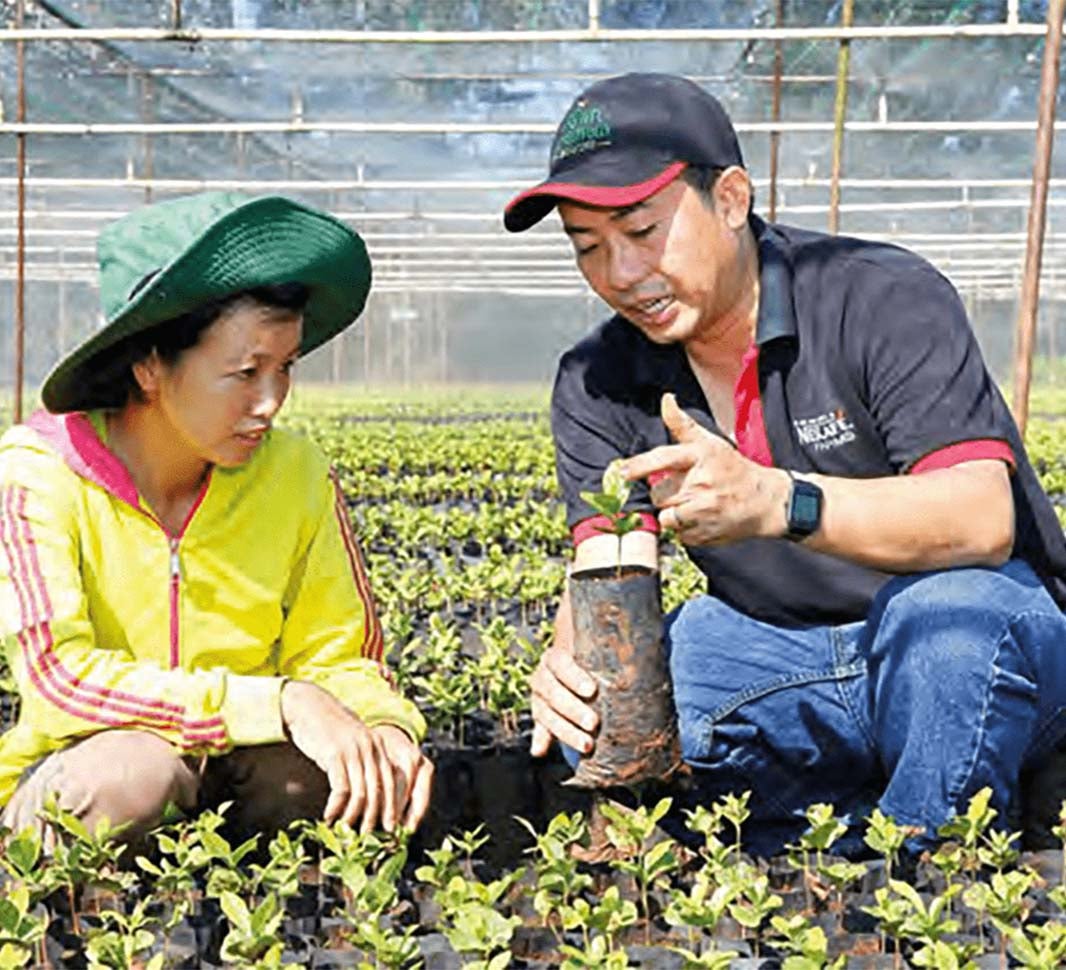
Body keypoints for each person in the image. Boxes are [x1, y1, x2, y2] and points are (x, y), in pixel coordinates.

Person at [506, 72, 1066, 854]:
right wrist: (571, 662)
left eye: (641, 232)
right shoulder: (599, 378)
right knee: (608, 706)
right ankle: (814, 846)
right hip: (776, 644)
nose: (620, 276)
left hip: (961, 627)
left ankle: (923, 870)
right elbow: (611, 568)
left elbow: (980, 519)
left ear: (731, 199)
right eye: (588, 247)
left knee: (949, 632)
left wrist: (779, 502)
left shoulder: (880, 298)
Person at [0, 192, 433, 848]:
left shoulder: (297, 474)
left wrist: (385, 728)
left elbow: (339, 653)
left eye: (285, 368)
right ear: (150, 365)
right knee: (132, 776)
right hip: (84, 773)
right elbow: (61, 678)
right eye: (245, 372)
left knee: (340, 771)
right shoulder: (40, 471)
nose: (270, 403)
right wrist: (277, 701)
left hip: (235, 766)